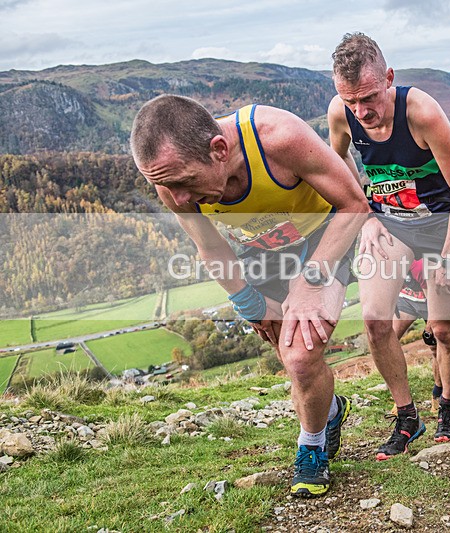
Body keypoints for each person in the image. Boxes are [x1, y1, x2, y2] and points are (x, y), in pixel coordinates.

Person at [129, 95, 370, 498]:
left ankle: (310, 450)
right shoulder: (170, 180)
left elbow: (354, 204)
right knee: (291, 356)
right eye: (166, 186)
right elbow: (210, 245)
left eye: (185, 182)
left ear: (219, 150)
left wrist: (311, 281)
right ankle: (329, 412)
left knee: (300, 353)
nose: (180, 198)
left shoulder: (279, 138)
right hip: (262, 250)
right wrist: (249, 304)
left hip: (323, 235)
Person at [328, 33, 450, 460]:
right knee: (374, 321)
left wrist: (447, 254)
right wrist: (366, 214)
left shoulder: (422, 113)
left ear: (389, 78)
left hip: (443, 224)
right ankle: (407, 416)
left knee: (442, 328)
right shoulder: (342, 114)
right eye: (351, 101)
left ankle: (446, 404)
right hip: (391, 225)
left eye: (370, 97)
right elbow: (334, 169)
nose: (362, 111)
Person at [392, 258, 442, 413]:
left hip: (430, 299)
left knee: (435, 346)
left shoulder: (420, 264)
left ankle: (438, 394)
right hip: (407, 298)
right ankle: (401, 400)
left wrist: (429, 327)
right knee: (389, 341)